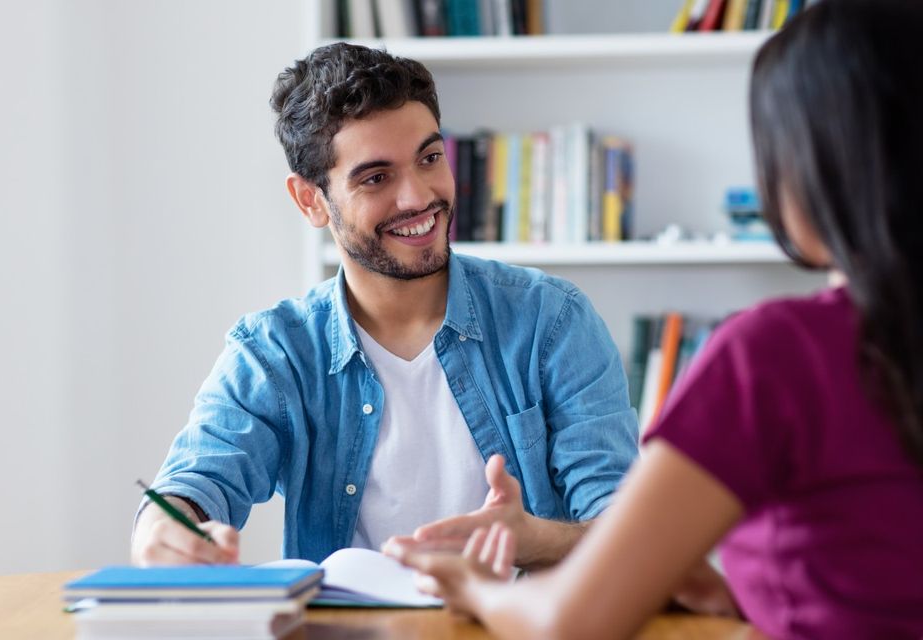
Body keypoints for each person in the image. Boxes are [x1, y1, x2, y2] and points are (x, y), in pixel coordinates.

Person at [387, 1, 923, 638]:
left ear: (811, 164)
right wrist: (751, 595)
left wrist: (474, 588)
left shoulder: (778, 354)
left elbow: (568, 624)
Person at [130, 43, 639, 568]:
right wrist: (164, 528)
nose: (418, 198)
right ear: (311, 201)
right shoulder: (275, 351)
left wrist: (533, 540)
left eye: (429, 158)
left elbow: (627, 528)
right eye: (376, 178)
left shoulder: (550, 321)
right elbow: (199, 479)